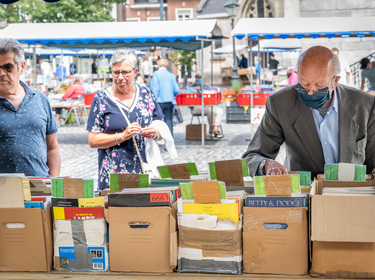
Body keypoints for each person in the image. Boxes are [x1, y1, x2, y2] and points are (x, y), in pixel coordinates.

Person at [242, 45, 375, 179]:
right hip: (303, 194)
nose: (311, 92)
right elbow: (252, 156)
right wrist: (266, 164)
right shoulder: (280, 104)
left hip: (350, 192)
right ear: (297, 75)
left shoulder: (365, 104)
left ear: (335, 82)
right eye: (304, 84)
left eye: (320, 85)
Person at [87, 49, 168, 190]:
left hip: (145, 171)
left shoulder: (146, 94)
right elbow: (93, 141)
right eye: (116, 72)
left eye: (125, 72)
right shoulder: (101, 99)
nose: (120, 77)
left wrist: (155, 133)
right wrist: (122, 136)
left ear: (135, 72)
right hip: (113, 176)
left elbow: (160, 124)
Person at [0, 38, 60, 177]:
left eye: (8, 67)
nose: (1, 73)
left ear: (21, 67)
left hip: (39, 188)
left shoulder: (39, 98)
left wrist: (54, 181)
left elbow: (52, 147)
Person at [150, 58, 180, 136]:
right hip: (169, 101)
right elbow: (177, 90)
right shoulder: (171, 75)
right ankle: (169, 141)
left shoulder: (156, 74)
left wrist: (153, 101)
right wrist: (171, 95)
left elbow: (155, 89)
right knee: (169, 121)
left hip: (159, 101)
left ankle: (158, 139)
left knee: (157, 121)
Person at [191, 73, 224, 138]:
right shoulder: (192, 87)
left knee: (219, 110)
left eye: (200, 77)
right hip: (197, 107)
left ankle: (215, 128)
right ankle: (211, 129)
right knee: (210, 110)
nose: (198, 79)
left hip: (207, 105)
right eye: (197, 77)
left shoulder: (206, 86)